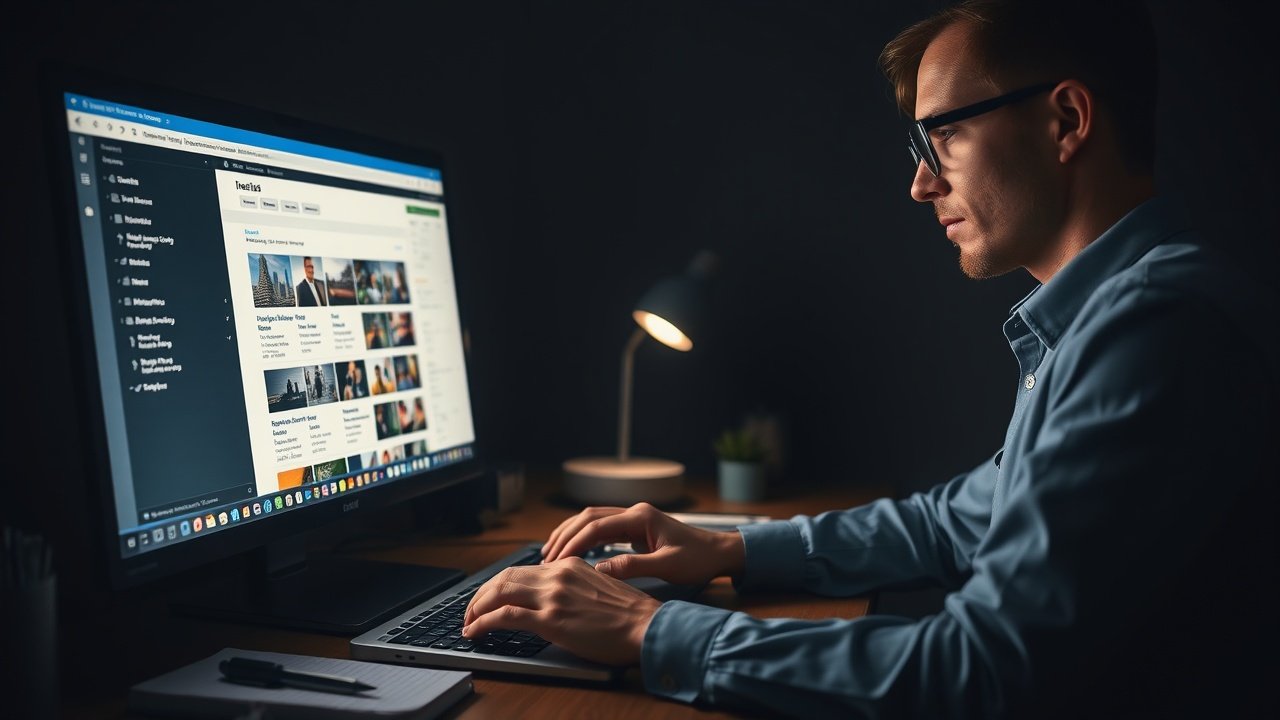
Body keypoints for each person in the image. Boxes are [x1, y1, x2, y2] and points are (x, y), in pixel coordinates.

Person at [462, 2, 1279, 718]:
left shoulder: (1155, 327)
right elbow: (955, 520)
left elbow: (983, 673)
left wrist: (648, 629)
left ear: (1066, 120)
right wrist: (731, 549)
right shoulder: (1113, 314)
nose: (921, 184)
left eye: (945, 134)